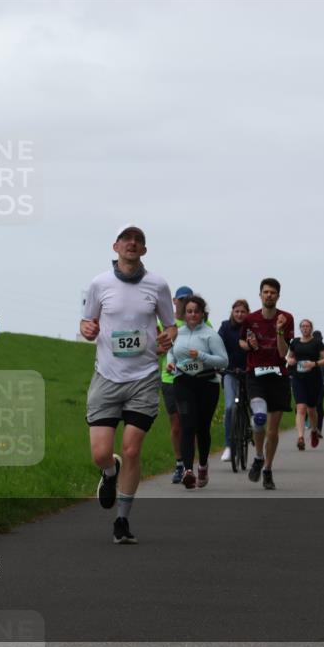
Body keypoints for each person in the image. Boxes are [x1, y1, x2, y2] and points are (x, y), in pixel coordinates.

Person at [81, 224, 176, 543]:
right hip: (107, 377)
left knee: (132, 448)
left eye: (139, 241)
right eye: (127, 240)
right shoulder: (99, 283)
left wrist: (168, 335)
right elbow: (87, 321)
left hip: (144, 378)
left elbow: (171, 325)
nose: (132, 245)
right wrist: (87, 330)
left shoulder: (158, 284)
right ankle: (109, 472)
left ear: (144, 251)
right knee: (100, 453)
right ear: (116, 247)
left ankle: (122, 520)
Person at [238, 278, 294, 490]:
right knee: (259, 418)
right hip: (256, 374)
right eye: (265, 292)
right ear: (260, 295)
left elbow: (283, 352)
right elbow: (241, 341)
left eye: (272, 292)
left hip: (278, 376)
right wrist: (249, 346)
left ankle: (267, 468)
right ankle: (258, 456)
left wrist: (279, 331)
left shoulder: (286, 318)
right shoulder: (250, 319)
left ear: (278, 296)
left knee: (272, 430)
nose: (269, 295)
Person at [169, 295, 228, 488]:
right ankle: (188, 470)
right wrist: (170, 363)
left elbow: (223, 361)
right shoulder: (178, 333)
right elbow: (172, 351)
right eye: (189, 311)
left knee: (202, 428)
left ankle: (202, 465)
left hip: (206, 383)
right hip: (183, 382)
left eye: (196, 311)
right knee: (187, 425)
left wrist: (201, 356)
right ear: (184, 314)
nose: (193, 315)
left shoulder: (210, 335)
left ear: (203, 314)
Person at [158, 286, 194, 483]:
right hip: (170, 378)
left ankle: (190, 464)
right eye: (181, 299)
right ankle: (179, 463)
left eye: (188, 299)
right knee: (176, 425)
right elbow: (157, 346)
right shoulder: (164, 322)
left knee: (191, 423)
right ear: (174, 301)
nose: (184, 302)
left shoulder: (200, 321)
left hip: (193, 377)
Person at [285, 320, 324, 450]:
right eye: (303, 326)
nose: (305, 328)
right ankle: (300, 438)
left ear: (311, 328)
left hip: (314, 379)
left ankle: (314, 430)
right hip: (298, 378)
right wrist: (290, 360)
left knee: (311, 409)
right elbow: (288, 357)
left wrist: (314, 364)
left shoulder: (317, 342)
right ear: (300, 329)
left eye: (307, 326)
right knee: (300, 408)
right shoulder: (295, 342)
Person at [218, 299, 250, 462]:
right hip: (230, 372)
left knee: (249, 405)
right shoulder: (225, 327)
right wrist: (218, 364)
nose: (239, 314)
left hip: (248, 372)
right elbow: (217, 345)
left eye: (243, 312)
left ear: (247, 313)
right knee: (230, 406)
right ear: (232, 312)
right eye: (237, 311)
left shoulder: (251, 328)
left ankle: (247, 426)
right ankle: (229, 446)